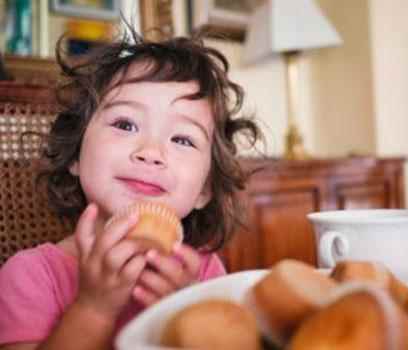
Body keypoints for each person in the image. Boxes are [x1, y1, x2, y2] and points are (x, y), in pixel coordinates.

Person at [0, 26, 262, 350]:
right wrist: (93, 309)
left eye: (182, 139)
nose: (151, 152)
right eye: (125, 124)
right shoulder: (31, 275)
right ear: (74, 154)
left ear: (205, 189)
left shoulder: (205, 274)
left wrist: (188, 313)